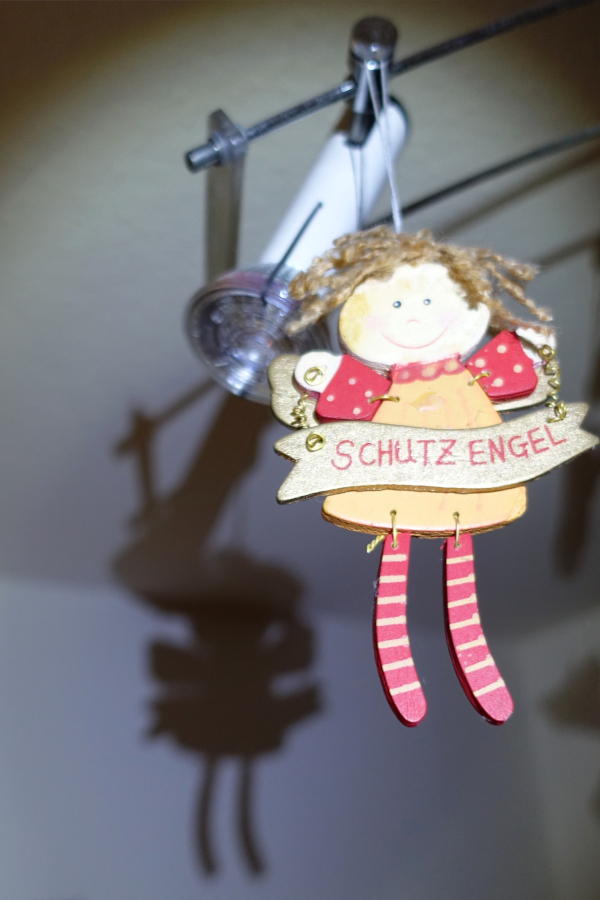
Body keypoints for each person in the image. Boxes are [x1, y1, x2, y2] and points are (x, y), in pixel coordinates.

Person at [285, 227, 553, 726]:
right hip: (397, 483)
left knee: (460, 560)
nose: (412, 316)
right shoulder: (384, 388)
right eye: (396, 305)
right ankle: (397, 662)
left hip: (467, 478)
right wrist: (322, 377)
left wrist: (530, 350)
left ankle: (479, 664)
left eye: (427, 300)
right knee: (396, 557)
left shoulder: (472, 376)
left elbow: (511, 369)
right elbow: (346, 392)